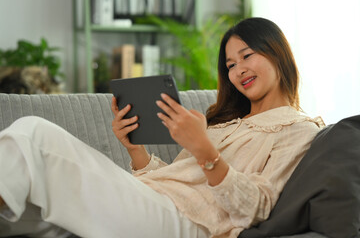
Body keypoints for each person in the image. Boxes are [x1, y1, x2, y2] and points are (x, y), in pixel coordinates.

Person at [0, 17, 323, 238]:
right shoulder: (224, 120)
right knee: (26, 202)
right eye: (230, 65)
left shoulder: (299, 130)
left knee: (34, 134)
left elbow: (256, 208)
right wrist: (135, 149)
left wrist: (205, 152)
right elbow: (178, 177)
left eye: (246, 56)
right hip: (159, 203)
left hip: (193, 224)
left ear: (277, 53)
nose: (238, 70)